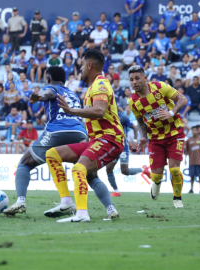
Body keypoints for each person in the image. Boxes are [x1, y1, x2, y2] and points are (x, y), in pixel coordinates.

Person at [4, 65, 114, 220]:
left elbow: (47, 93)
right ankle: (111, 209)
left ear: (49, 78)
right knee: (90, 174)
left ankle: (21, 201)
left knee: (24, 163)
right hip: (80, 133)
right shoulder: (73, 94)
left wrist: (36, 96)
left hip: (57, 131)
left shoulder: (51, 88)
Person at [40, 50, 123, 222]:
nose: (81, 69)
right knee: (52, 154)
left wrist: (71, 111)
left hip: (110, 139)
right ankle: (66, 201)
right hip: (96, 139)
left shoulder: (100, 84)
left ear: (89, 65)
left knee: (79, 169)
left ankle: (82, 214)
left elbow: (99, 111)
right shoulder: (93, 87)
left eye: (82, 65)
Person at [128, 65, 189, 208]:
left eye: (137, 78)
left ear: (145, 78)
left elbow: (183, 100)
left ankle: (177, 198)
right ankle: (156, 183)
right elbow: (140, 122)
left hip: (175, 133)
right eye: (131, 80)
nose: (134, 82)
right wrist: (143, 137)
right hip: (155, 137)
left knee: (174, 169)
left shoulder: (160, 87)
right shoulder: (133, 101)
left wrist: (171, 112)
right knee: (155, 176)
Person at [105, 114, 151, 197]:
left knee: (124, 171)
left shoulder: (122, 117)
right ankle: (116, 191)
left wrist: (135, 141)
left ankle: (143, 169)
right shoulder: (107, 116)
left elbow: (134, 128)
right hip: (113, 147)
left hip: (123, 147)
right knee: (108, 168)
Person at [185, 126, 200, 194]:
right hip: (191, 161)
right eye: (193, 130)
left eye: (196, 130)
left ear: (197, 131)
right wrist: (185, 159)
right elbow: (186, 150)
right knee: (192, 176)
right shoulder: (189, 140)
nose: (194, 132)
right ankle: (191, 189)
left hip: (199, 161)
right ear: (191, 132)